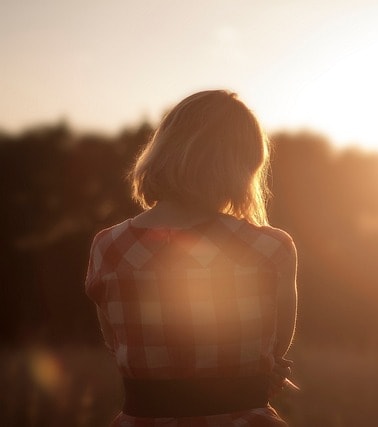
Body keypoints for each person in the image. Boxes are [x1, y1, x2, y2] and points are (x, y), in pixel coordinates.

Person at [85, 90, 298, 427]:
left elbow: (118, 346)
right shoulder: (271, 248)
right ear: (242, 165)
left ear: (164, 149)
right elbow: (274, 350)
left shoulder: (108, 247)